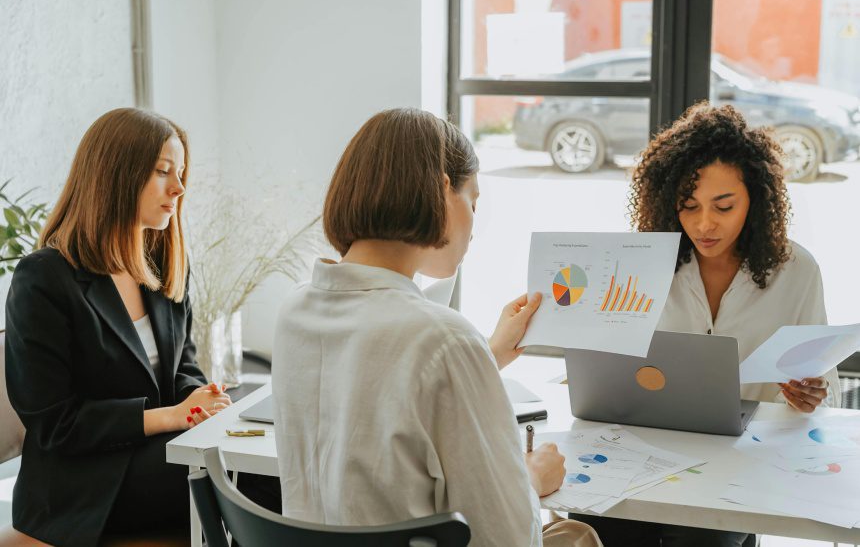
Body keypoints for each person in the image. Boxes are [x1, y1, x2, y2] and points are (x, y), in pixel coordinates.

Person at [271, 108, 602, 547]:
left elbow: (380, 388)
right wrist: (531, 478)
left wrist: (486, 356)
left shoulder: (295, 310)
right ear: (442, 190)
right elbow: (509, 537)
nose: (474, 227)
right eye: (474, 200)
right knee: (577, 534)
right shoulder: (443, 340)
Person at [573, 103, 840, 547]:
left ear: (755, 199)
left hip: (740, 467)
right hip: (643, 453)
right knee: (592, 522)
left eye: (724, 205)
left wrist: (808, 392)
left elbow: (818, 383)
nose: (704, 224)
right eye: (688, 206)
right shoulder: (643, 264)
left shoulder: (797, 271)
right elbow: (605, 371)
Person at [4, 108, 231, 546]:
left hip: (154, 458)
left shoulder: (166, 266)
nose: (179, 188)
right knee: (250, 480)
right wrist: (170, 416)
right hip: (81, 484)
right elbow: (55, 424)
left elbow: (184, 366)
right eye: (164, 171)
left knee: (265, 468)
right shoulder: (44, 278)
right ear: (116, 174)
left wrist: (202, 403)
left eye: (180, 172)